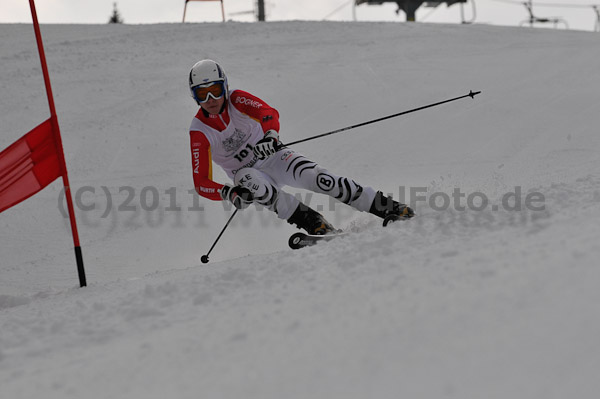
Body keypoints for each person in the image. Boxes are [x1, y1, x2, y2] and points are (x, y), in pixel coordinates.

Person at [188, 59, 414, 235]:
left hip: (274, 157)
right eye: (202, 93)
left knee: (320, 179)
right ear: (194, 96)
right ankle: (316, 225)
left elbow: (268, 113)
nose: (210, 98)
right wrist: (230, 193)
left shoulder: (237, 99)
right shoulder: (200, 130)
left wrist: (270, 136)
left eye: (215, 90)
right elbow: (201, 183)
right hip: (248, 176)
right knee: (251, 182)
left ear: (224, 87)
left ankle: (389, 207)